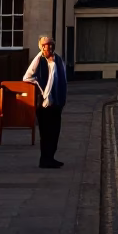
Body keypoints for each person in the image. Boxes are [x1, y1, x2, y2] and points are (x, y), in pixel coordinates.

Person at [23, 35, 68, 168]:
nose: (48, 47)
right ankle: (45, 159)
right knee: (46, 132)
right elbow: (27, 77)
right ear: (41, 47)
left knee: (55, 132)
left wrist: (62, 99)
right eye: (45, 45)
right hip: (43, 104)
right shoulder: (38, 60)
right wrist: (40, 85)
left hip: (57, 102)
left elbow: (63, 79)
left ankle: (51, 158)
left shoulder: (58, 60)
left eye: (50, 45)